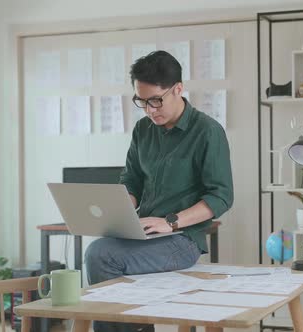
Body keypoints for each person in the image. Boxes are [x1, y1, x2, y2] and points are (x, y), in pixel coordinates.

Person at [84, 50, 234, 332]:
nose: (150, 109)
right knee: (98, 250)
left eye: (156, 100)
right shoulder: (143, 130)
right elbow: (132, 179)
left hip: (182, 239)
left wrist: (170, 222)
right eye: (142, 101)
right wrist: (120, 208)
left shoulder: (207, 132)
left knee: (101, 255)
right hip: (144, 231)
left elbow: (221, 196)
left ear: (178, 89)